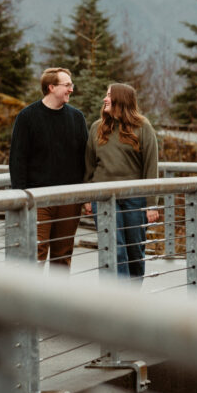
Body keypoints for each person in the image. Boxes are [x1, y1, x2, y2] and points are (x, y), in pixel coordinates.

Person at [9, 67, 88, 269]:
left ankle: (56, 300)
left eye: (72, 84)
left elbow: (85, 159)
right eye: (67, 85)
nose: (71, 89)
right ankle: (30, 300)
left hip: (69, 199)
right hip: (37, 199)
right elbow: (17, 159)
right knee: (35, 253)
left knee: (62, 256)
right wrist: (21, 197)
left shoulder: (77, 118)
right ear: (51, 87)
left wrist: (85, 196)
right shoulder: (27, 117)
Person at [84, 83, 160, 280]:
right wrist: (86, 197)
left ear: (121, 99)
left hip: (135, 199)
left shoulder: (143, 128)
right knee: (113, 247)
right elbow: (89, 166)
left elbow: (151, 167)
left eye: (108, 95)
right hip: (103, 198)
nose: (104, 99)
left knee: (135, 251)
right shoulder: (96, 128)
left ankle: (131, 299)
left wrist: (152, 204)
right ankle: (117, 301)